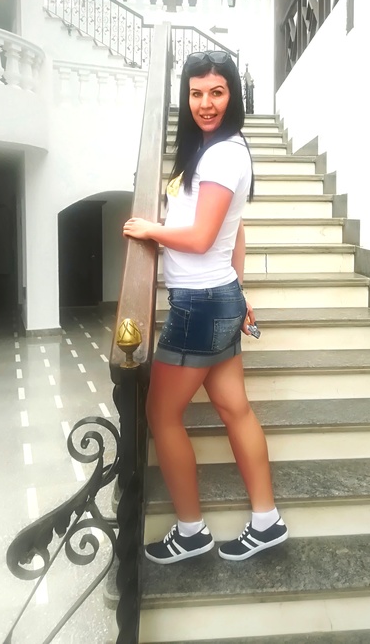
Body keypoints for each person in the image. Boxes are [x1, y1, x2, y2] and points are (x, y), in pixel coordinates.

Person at [123, 50, 288, 564]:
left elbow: (200, 238)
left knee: (160, 412)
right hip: (218, 297)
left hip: (199, 303)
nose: (205, 103)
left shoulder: (221, 155)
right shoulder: (217, 149)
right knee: (235, 409)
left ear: (233, 95)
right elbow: (235, 232)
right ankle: (267, 521)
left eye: (217, 92)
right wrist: (239, 292)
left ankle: (192, 532)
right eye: (196, 93)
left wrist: (150, 230)